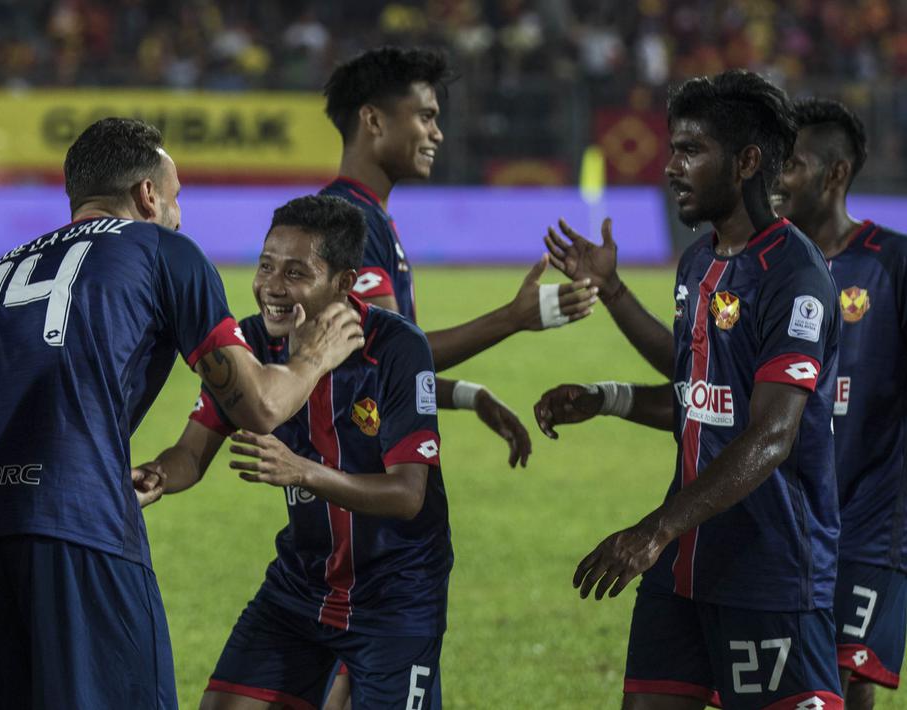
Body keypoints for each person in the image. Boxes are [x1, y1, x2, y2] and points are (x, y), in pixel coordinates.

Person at [0, 118, 365, 710]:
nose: (179, 214)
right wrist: (314, 358)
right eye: (175, 197)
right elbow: (262, 406)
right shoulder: (162, 250)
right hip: (83, 525)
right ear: (147, 194)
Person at [534, 70, 843, 709]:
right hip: (686, 562)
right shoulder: (700, 260)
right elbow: (696, 392)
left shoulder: (795, 274)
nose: (671, 166)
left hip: (770, 567)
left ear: (747, 162)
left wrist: (654, 530)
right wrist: (606, 397)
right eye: (673, 148)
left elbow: (772, 434)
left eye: (691, 150)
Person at [140, 194, 450, 710]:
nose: (272, 288)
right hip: (300, 585)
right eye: (266, 266)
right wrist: (153, 476)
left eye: (296, 272)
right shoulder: (251, 344)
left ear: (344, 283)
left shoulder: (396, 347)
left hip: (396, 595)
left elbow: (407, 494)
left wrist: (302, 472)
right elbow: (191, 455)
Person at [320, 45, 600, 471]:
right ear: (374, 120)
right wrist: (512, 317)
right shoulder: (346, 219)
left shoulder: (366, 215)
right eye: (426, 117)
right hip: (361, 492)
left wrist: (469, 395)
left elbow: (368, 374)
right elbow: (390, 357)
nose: (438, 134)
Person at [773, 98, 907, 710]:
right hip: (789, 519)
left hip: (872, 520)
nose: (777, 177)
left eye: (792, 163)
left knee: (843, 684)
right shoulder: (774, 267)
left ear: (835, 175)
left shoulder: (892, 262)